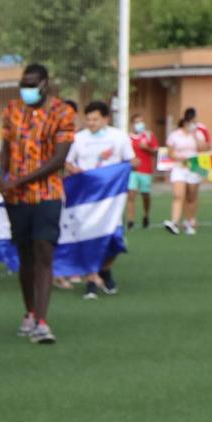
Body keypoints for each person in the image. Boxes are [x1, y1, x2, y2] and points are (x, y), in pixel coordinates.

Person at [0, 62, 76, 345]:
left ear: (44, 84)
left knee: (44, 250)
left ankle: (42, 320)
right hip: (15, 197)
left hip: (47, 194)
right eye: (23, 83)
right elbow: (6, 147)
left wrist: (20, 179)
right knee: (25, 255)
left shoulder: (63, 112)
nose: (26, 88)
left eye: (32, 83)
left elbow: (58, 159)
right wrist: (2, 176)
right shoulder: (13, 109)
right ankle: (29, 312)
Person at [65, 100, 133, 299]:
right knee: (88, 238)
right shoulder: (79, 138)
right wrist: (75, 171)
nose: (91, 123)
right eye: (88, 119)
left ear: (105, 119)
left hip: (111, 198)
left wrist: (124, 169)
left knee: (115, 241)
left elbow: (130, 160)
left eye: (95, 119)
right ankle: (91, 280)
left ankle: (105, 270)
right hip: (86, 198)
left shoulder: (119, 137)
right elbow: (68, 162)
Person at [163, 107, 205, 236]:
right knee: (178, 195)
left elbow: (203, 148)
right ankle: (174, 222)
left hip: (194, 167)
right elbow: (170, 152)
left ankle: (189, 221)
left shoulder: (198, 134)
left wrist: (195, 135)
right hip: (179, 167)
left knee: (191, 197)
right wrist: (180, 157)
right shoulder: (175, 135)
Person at [127, 117, 159, 230]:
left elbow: (156, 151)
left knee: (145, 195)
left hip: (146, 170)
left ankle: (146, 215)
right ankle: (130, 220)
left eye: (141, 121)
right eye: (136, 122)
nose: (139, 124)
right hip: (132, 171)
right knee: (131, 195)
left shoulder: (149, 135)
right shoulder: (128, 138)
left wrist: (147, 148)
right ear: (132, 124)